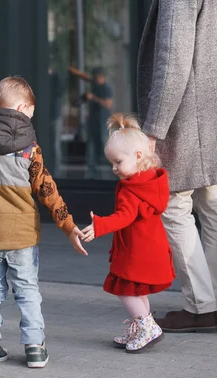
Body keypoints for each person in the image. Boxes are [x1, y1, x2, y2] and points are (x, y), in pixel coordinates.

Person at [136, 0, 217, 333]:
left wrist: (154, 127)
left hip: (190, 112)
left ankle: (199, 307)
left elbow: (172, 57)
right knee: (213, 202)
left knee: (174, 205)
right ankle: (214, 305)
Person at [0, 76, 88, 369]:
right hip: (20, 234)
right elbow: (46, 188)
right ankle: (34, 348)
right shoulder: (29, 145)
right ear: (20, 107)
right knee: (27, 289)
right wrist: (68, 225)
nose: (30, 117)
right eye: (30, 111)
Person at [82, 114, 175, 353]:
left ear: (137, 157)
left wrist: (99, 226)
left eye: (118, 162)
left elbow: (125, 216)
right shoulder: (152, 182)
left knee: (125, 289)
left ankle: (147, 327)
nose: (114, 168)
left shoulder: (131, 189)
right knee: (137, 290)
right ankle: (141, 325)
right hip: (150, 248)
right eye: (111, 163)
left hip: (136, 251)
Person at [68, 66, 113, 178]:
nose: (96, 80)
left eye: (97, 78)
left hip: (103, 120)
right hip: (93, 120)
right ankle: (92, 167)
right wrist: (73, 71)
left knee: (103, 142)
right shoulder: (94, 83)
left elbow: (108, 104)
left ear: (101, 77)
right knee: (91, 143)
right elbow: (85, 77)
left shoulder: (106, 88)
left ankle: (111, 165)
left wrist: (94, 98)